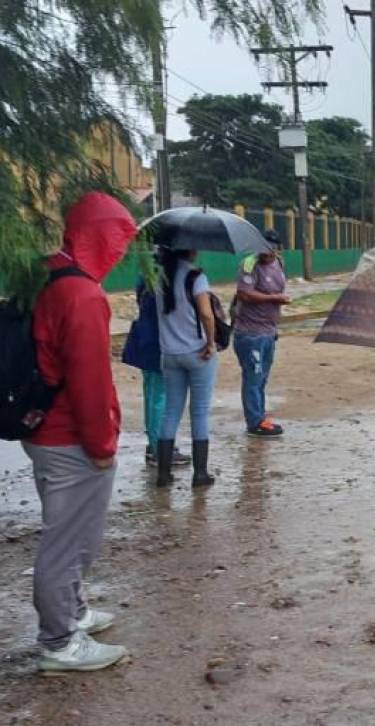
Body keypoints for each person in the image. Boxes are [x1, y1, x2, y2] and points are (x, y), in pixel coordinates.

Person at [24, 192, 134, 671]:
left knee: (66, 532)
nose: (123, 250)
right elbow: (89, 378)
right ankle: (59, 642)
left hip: (44, 429)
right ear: (99, 236)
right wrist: (102, 445)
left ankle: (76, 613)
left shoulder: (48, 274)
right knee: (69, 542)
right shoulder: (83, 294)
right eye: (119, 239)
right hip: (71, 438)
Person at [155, 246, 219, 488]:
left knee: (171, 411)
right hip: (197, 352)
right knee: (199, 411)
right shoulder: (196, 277)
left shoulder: (160, 277)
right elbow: (206, 313)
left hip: (169, 354)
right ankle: (200, 474)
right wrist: (211, 343)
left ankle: (163, 474)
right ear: (190, 249)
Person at [121, 271, 191, 469]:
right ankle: (160, 447)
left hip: (146, 338)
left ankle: (154, 445)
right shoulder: (169, 276)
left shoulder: (147, 272)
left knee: (152, 393)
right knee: (161, 395)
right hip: (160, 341)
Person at [233, 230, 290, 437]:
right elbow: (244, 293)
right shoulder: (249, 264)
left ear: (278, 248)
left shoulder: (279, 263)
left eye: (271, 248)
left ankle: (260, 416)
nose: (266, 252)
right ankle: (255, 422)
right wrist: (274, 298)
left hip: (268, 332)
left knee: (262, 377)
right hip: (250, 333)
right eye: (263, 247)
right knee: (253, 377)